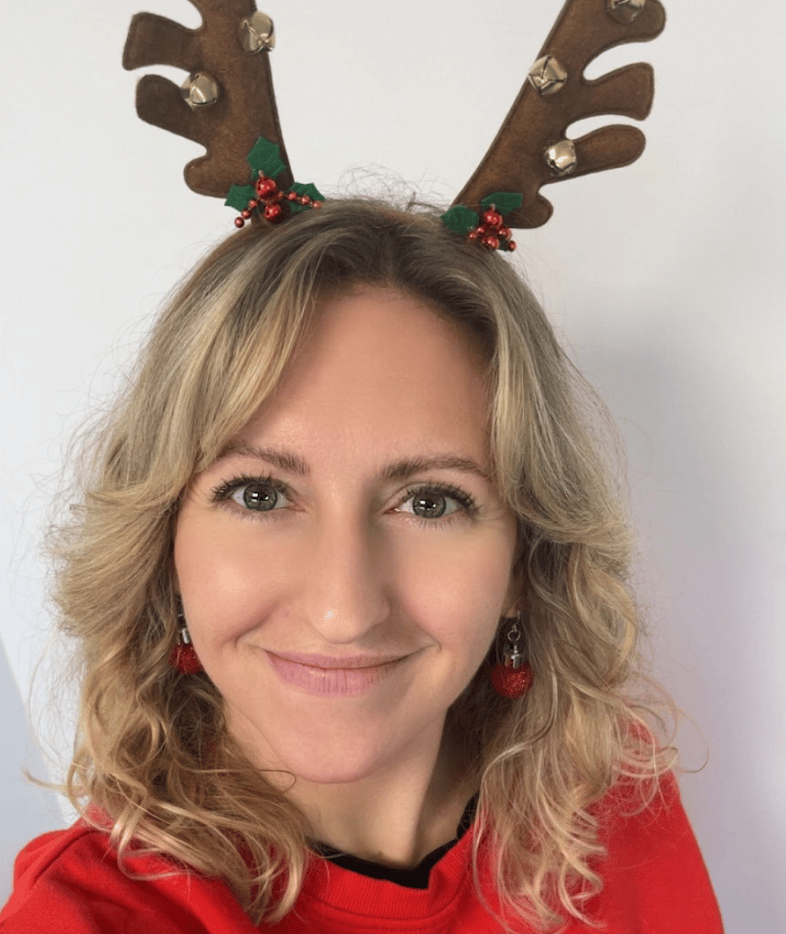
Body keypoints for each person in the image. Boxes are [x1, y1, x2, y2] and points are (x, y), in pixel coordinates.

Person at [0, 199, 724, 932]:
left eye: (432, 503)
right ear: (164, 547)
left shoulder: (607, 792)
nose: (342, 612)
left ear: (522, 563)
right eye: (260, 494)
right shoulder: (85, 917)